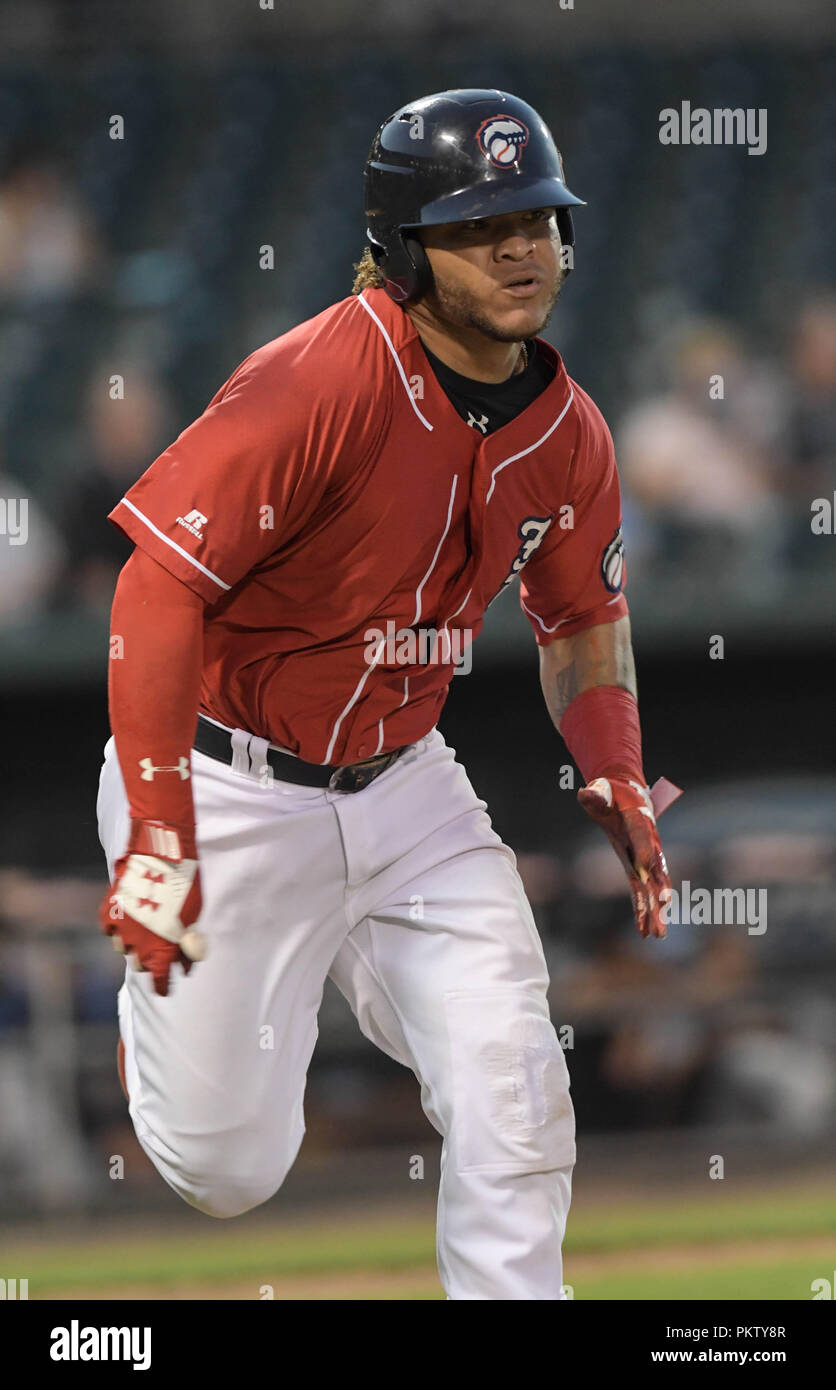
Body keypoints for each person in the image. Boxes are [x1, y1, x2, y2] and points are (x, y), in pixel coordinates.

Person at [95, 88, 674, 1301]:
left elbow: (580, 620)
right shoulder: (317, 379)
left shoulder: (567, 430)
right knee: (226, 1169)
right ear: (408, 245)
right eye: (480, 225)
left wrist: (611, 760)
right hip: (226, 778)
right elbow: (155, 590)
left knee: (513, 1077)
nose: (522, 247)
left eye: (537, 218)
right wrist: (155, 830)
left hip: (409, 787)